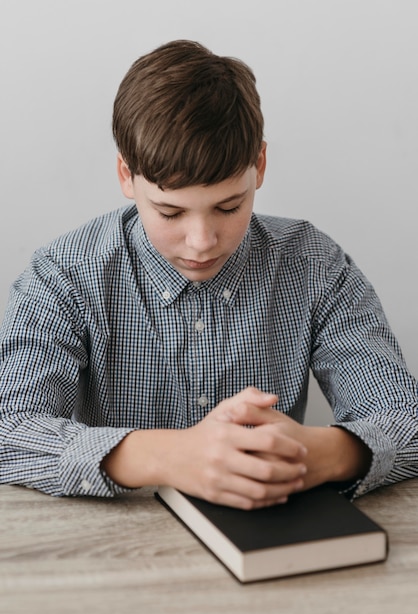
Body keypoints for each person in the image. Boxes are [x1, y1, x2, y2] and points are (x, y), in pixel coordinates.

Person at [0, 40, 417, 510]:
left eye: (228, 206)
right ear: (126, 176)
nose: (201, 241)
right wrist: (168, 456)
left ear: (259, 166)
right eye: (170, 212)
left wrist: (318, 453)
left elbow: (406, 418)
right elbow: (9, 429)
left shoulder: (314, 266)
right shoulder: (65, 275)